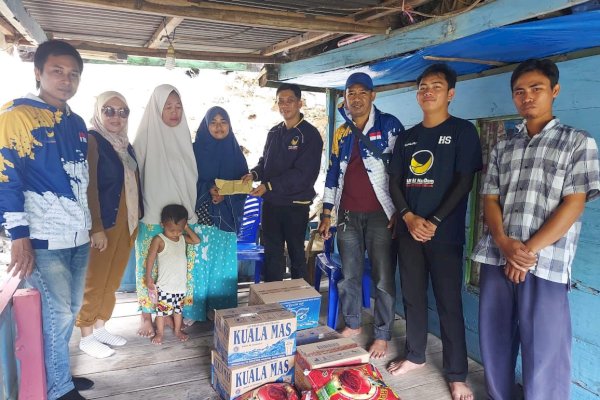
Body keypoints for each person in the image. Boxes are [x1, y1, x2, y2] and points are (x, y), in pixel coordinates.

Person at [471, 59, 600, 400]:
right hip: (497, 256)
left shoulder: (577, 142)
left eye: (536, 89)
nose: (527, 97)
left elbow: (574, 203)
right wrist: (503, 242)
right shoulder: (504, 146)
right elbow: (490, 199)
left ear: (554, 91)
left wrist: (526, 252)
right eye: (519, 91)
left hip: (547, 262)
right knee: (495, 337)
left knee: (545, 347)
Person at [0, 40, 92, 400]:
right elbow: (7, 179)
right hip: (43, 238)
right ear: (38, 72)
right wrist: (18, 235)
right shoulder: (15, 116)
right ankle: (58, 389)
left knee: (69, 311)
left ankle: (60, 375)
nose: (66, 80)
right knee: (57, 315)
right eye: (57, 71)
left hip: (77, 236)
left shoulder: (77, 122)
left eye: (73, 74)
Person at [386, 64, 482, 400]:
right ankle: (415, 354)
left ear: (450, 94)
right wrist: (409, 217)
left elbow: (463, 182)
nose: (428, 92)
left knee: (448, 303)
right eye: (423, 86)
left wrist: (435, 220)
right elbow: (394, 181)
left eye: (436, 86)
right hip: (409, 231)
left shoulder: (463, 132)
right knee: (411, 296)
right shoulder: (408, 137)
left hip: (445, 235)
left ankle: (456, 375)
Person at [317, 72, 403, 359]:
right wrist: (327, 213)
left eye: (361, 92)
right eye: (350, 93)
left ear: (373, 95)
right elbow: (332, 173)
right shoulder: (342, 133)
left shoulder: (390, 125)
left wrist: (400, 211)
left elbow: (400, 173)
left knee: (382, 277)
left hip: (382, 215)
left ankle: (382, 334)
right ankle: (352, 324)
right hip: (348, 216)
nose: (355, 98)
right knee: (349, 274)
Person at [76, 91, 143, 359]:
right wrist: (96, 228)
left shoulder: (126, 145)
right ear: (98, 112)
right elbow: (89, 187)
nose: (117, 116)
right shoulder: (93, 140)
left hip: (126, 222)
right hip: (104, 222)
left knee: (112, 279)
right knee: (94, 280)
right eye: (109, 110)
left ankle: (101, 325)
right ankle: (86, 334)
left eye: (123, 111)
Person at [133, 84, 199, 337]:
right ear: (157, 109)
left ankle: (174, 313)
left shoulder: (183, 135)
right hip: (152, 216)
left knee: (178, 269)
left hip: (181, 218)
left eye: (178, 106)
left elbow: (189, 176)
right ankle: (146, 315)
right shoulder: (145, 137)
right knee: (149, 268)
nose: (174, 112)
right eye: (167, 107)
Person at [242, 83, 323, 282]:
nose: (285, 106)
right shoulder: (274, 132)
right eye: (281, 102)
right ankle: (273, 303)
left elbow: (304, 175)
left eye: (290, 101)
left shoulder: (309, 135)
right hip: (271, 204)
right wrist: (253, 174)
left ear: (299, 103)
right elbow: (265, 163)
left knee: (296, 254)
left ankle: (300, 304)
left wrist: (269, 186)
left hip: (296, 206)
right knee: (272, 255)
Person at [187, 106, 248, 321]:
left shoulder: (235, 152)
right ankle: (194, 310)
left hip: (226, 217)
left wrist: (227, 194)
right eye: (213, 122)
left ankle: (219, 310)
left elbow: (243, 186)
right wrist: (207, 188)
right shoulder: (194, 150)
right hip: (201, 216)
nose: (219, 126)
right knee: (199, 262)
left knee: (222, 265)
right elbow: (186, 180)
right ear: (205, 125)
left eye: (223, 121)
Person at [145, 204, 200, 345]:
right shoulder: (159, 239)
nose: (176, 233)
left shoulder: (182, 238)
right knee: (161, 313)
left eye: (179, 230)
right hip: (164, 287)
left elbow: (196, 240)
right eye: (172, 230)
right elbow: (150, 258)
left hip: (180, 287)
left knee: (178, 311)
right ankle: (160, 333)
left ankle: (177, 330)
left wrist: (186, 228)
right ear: (162, 224)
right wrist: (148, 277)